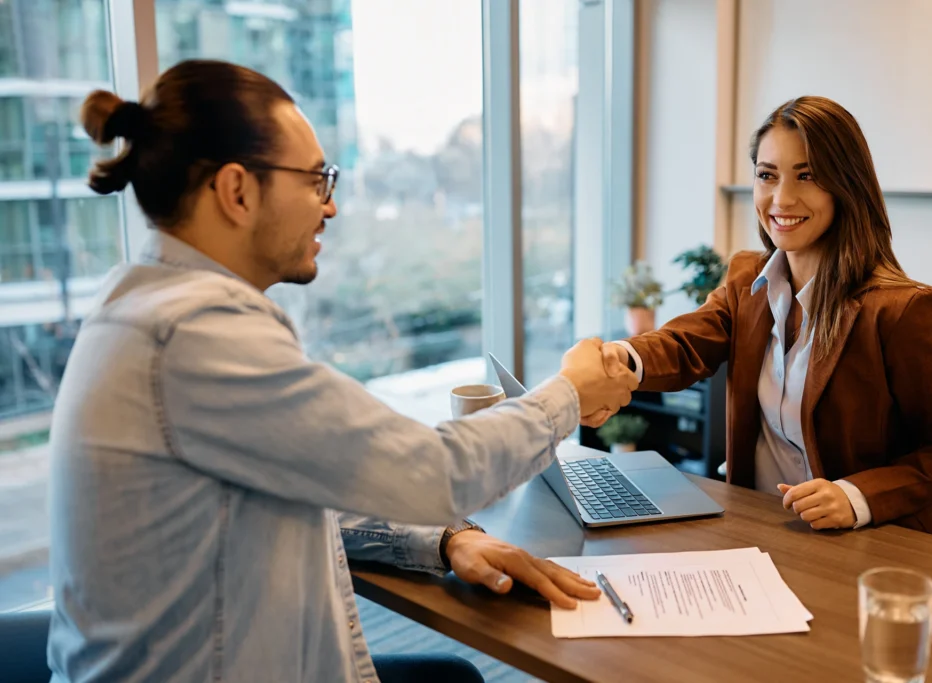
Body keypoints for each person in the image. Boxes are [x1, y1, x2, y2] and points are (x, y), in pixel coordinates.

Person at [46, 59, 637, 683]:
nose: (329, 207)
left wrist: (444, 540)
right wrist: (570, 391)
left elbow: (307, 474)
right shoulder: (196, 333)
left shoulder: (144, 305)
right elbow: (438, 471)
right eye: (315, 180)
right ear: (237, 191)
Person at [600, 96, 932, 539]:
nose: (781, 198)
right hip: (769, 532)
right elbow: (685, 344)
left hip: (880, 544)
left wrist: (855, 496)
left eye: (807, 175)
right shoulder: (748, 280)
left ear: (846, 184)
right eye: (767, 175)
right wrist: (614, 360)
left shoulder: (902, 310)